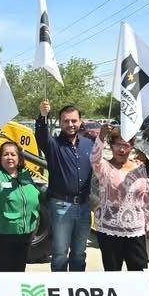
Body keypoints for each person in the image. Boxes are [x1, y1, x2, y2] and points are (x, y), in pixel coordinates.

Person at [35, 99, 95, 272]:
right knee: (60, 253)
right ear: (60, 123)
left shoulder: (88, 145)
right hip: (61, 206)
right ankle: (60, 292)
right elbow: (41, 135)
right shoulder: (53, 144)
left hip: (84, 206)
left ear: (80, 121)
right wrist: (43, 116)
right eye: (66, 121)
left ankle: (76, 290)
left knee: (79, 254)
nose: (70, 124)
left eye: (74, 120)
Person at [90, 125, 149, 271]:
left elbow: (146, 196)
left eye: (126, 145)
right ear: (111, 146)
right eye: (118, 145)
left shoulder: (140, 167)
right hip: (109, 229)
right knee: (113, 274)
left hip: (135, 230)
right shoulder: (104, 167)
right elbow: (94, 158)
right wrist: (101, 136)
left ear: (131, 146)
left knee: (139, 273)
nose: (121, 150)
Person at [0, 141, 40, 272]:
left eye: (13, 154)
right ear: (0, 157)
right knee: (3, 272)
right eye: (6, 154)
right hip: (2, 236)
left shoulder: (25, 174)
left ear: (19, 158)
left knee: (19, 271)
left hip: (24, 234)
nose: (10, 157)